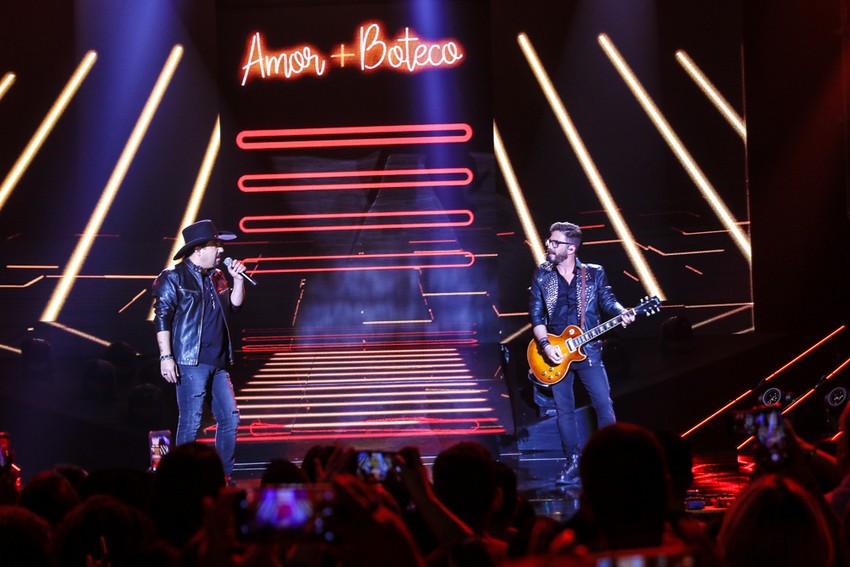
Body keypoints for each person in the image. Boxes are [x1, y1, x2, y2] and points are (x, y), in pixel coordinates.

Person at [528, 221, 634, 485]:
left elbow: (608, 300)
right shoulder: (542, 274)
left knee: (603, 404)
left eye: (555, 243)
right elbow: (536, 315)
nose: (549, 246)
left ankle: (609, 459)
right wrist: (546, 346)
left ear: (571, 248)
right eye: (549, 241)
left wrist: (622, 312)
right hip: (555, 352)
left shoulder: (594, 273)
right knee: (564, 410)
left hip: (588, 350)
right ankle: (573, 462)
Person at [152, 219, 249, 481]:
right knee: (192, 421)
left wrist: (237, 280)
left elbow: (235, 307)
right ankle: (182, 479)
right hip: (190, 360)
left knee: (230, 419)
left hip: (218, 361)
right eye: (215, 245)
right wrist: (166, 356)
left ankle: (223, 477)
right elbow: (162, 317)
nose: (221, 250)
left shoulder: (217, 276)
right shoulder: (174, 277)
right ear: (198, 250)